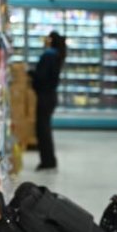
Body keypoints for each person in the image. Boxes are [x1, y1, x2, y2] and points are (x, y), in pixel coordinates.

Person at [29, 31, 66, 171]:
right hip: (51, 96)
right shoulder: (58, 54)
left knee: (42, 130)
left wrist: (31, 74)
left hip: (44, 96)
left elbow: (41, 77)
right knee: (45, 129)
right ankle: (49, 160)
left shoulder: (48, 55)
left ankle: (47, 161)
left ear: (51, 40)